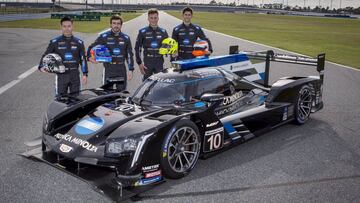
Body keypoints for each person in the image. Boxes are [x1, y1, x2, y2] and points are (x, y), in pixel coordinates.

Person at [38, 16, 88, 96]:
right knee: (60, 101)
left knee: (76, 100)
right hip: (61, 75)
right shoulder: (55, 42)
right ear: (61, 27)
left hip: (75, 75)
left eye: (69, 26)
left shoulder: (79, 42)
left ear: (72, 26)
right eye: (64, 26)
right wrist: (41, 66)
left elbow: (83, 59)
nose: (67, 28)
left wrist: (85, 74)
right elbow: (46, 55)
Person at [87, 15, 134, 91]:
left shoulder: (126, 38)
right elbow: (91, 47)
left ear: (121, 25)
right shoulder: (104, 37)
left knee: (121, 94)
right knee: (107, 94)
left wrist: (131, 69)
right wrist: (89, 57)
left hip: (121, 69)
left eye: (118, 23)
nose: (116, 25)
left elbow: (129, 55)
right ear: (110, 24)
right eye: (114, 23)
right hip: (108, 69)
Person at [135, 8, 169, 81]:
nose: (153, 20)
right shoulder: (142, 32)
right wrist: (139, 63)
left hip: (159, 62)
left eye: (155, 18)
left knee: (159, 85)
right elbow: (137, 48)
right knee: (146, 85)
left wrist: (171, 51)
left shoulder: (163, 32)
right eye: (151, 18)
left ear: (158, 18)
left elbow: (168, 48)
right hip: (148, 62)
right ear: (148, 19)